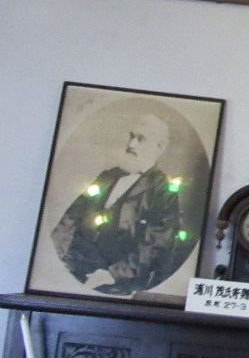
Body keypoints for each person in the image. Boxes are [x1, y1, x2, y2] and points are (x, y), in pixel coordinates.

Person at [51, 113, 191, 295]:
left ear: (160, 147)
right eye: (132, 136)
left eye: (140, 139)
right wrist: (55, 256)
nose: (131, 144)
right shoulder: (107, 176)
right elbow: (71, 218)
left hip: (115, 280)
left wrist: (112, 274)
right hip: (73, 265)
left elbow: (154, 247)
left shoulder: (162, 191)